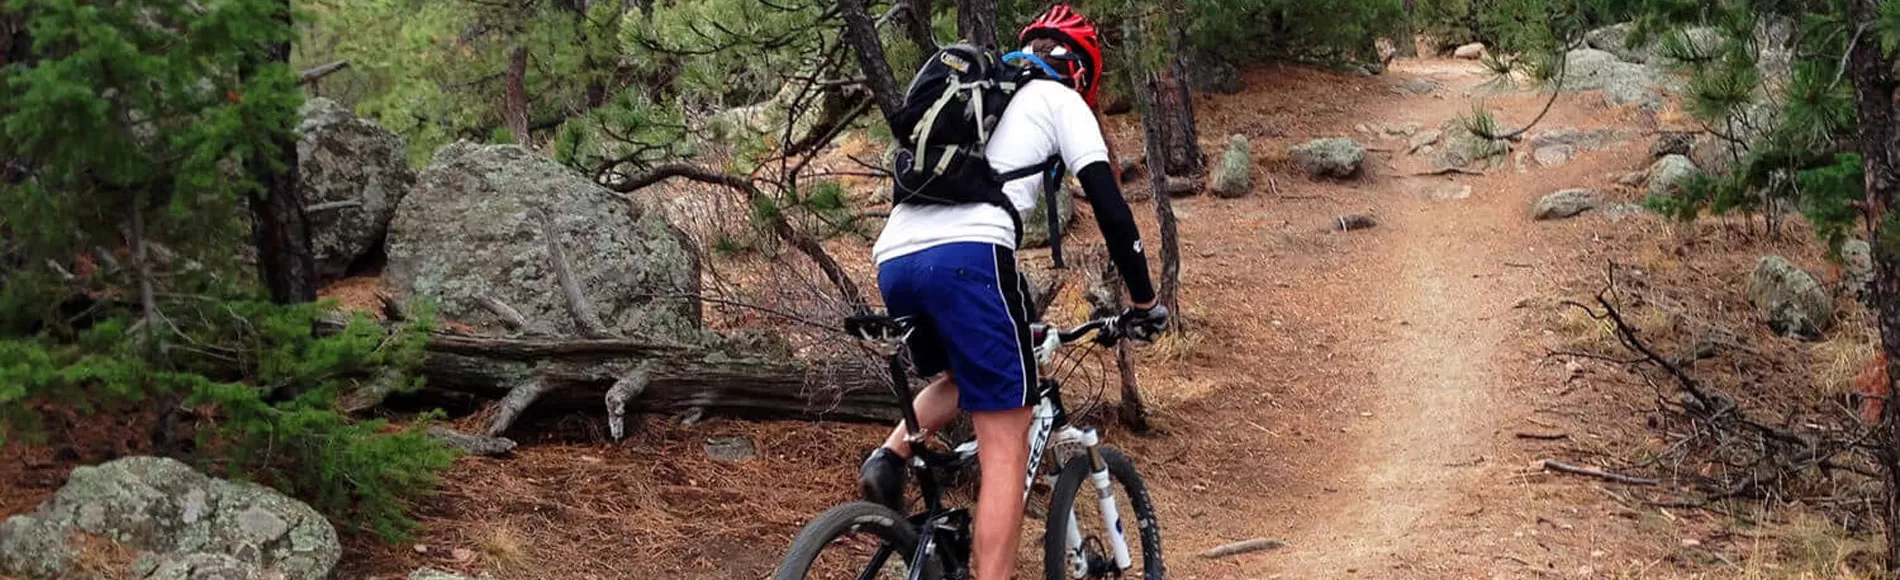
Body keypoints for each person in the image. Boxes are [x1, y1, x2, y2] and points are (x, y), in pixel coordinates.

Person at [859, 5, 1166, 579]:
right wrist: (1145, 302)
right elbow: (1111, 209)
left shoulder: (980, 98)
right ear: (1081, 72)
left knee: (963, 376)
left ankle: (889, 456)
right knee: (1006, 445)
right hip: (970, 258)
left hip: (895, 256)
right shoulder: (1059, 100)